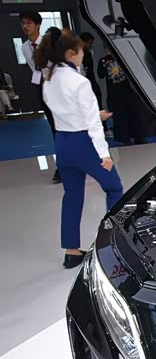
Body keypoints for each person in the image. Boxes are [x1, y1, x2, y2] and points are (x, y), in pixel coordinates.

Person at [33, 27, 123, 269]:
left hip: (63, 143)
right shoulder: (80, 82)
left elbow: (65, 112)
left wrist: (94, 114)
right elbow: (92, 125)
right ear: (71, 53)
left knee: (72, 195)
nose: (84, 54)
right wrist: (104, 154)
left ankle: (71, 252)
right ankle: (111, 245)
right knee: (114, 188)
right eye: (82, 50)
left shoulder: (49, 79)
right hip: (84, 143)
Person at [21, 11, 60, 182]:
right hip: (43, 87)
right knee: (54, 127)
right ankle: (63, 164)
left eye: (29, 23)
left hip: (58, 86)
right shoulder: (25, 47)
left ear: (38, 25)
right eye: (23, 23)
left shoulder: (49, 43)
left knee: (66, 126)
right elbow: (34, 68)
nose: (25, 26)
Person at [98, 53, 147, 145]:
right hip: (114, 93)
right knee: (120, 116)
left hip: (127, 90)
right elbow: (100, 74)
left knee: (135, 113)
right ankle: (124, 138)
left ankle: (138, 136)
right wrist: (104, 64)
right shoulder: (104, 60)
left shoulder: (122, 56)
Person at [79, 32, 103, 107]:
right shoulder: (80, 55)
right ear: (83, 42)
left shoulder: (87, 53)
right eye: (89, 43)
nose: (90, 45)